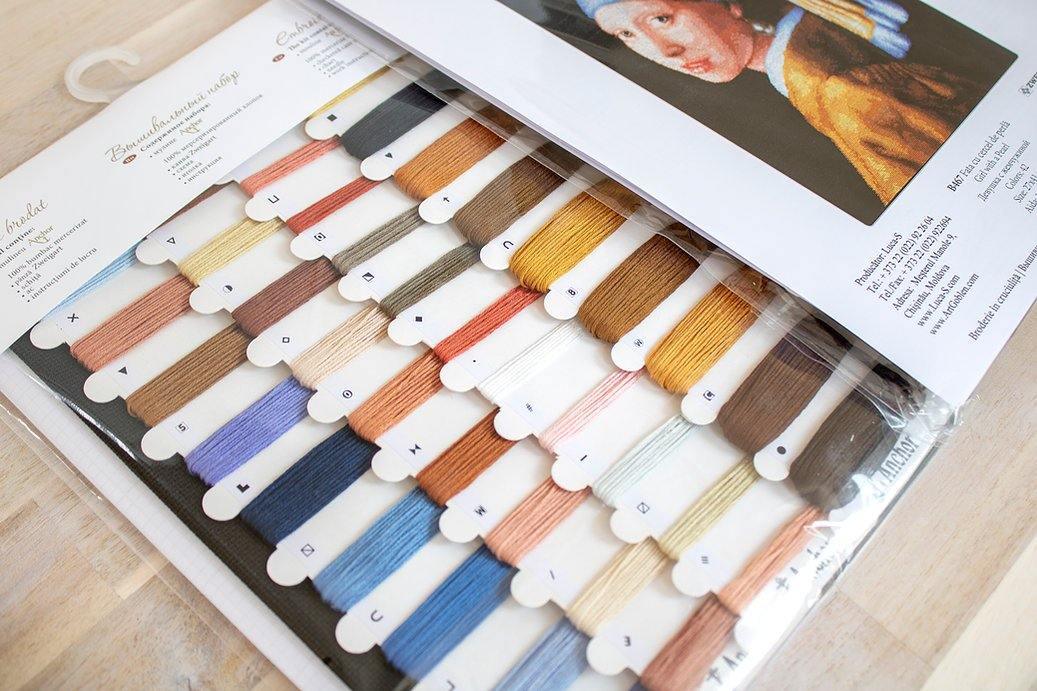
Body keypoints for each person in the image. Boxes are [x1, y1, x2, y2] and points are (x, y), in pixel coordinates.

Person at [577, 0, 983, 204]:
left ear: (727, 4)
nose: (665, 50)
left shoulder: (846, 98)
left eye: (662, 18)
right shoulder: (815, 53)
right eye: (626, 35)